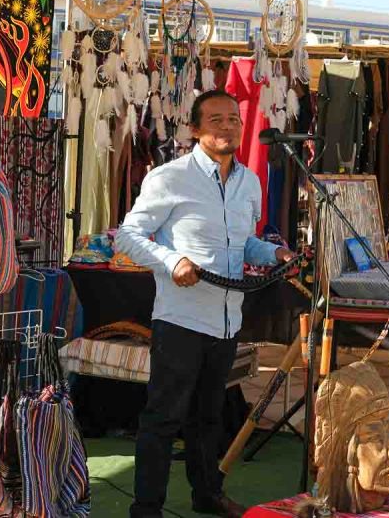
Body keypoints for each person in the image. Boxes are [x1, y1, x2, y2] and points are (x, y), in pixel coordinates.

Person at [116, 90, 295, 518]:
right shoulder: (170, 177)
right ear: (195, 130)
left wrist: (273, 254)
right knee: (163, 418)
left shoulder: (249, 182)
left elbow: (244, 243)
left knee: (209, 418)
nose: (227, 127)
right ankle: (146, 508)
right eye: (215, 120)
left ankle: (207, 495)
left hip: (228, 321)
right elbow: (127, 236)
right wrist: (171, 259)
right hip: (181, 319)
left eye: (233, 119)